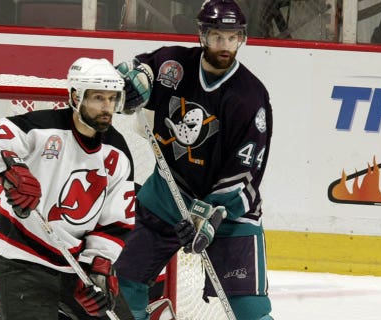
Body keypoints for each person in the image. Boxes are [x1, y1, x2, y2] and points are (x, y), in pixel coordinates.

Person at [113, 0, 274, 319]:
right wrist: (130, 84)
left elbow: (246, 176)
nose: (225, 45)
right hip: (167, 196)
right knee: (124, 281)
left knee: (251, 312)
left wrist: (207, 216)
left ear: (241, 38)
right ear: (202, 35)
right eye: (217, 36)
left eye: (232, 38)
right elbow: (137, 71)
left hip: (226, 215)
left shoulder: (250, 97)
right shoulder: (174, 65)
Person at [0, 57, 136, 320]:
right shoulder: (39, 128)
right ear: (76, 96)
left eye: (112, 99)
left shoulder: (117, 152)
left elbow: (116, 221)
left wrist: (100, 268)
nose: (106, 107)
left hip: (77, 268)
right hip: (21, 264)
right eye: (98, 98)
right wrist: (10, 172)